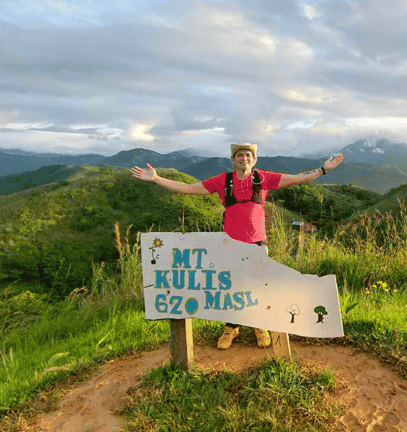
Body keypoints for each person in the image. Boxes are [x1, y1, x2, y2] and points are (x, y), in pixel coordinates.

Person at [130, 143, 344, 350]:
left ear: (255, 160)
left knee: (259, 285)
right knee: (232, 287)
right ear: (233, 160)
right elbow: (187, 188)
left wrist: (324, 169)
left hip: (258, 244)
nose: (244, 159)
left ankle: (259, 325)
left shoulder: (263, 178)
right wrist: (157, 179)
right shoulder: (222, 181)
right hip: (230, 245)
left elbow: (297, 178)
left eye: (248, 155)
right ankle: (231, 328)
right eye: (240, 156)